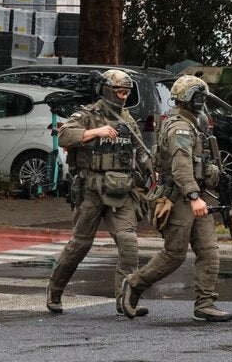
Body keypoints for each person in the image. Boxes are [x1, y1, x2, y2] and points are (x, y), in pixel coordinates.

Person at [118, 75, 232, 322]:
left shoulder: (193, 123)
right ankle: (134, 284)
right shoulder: (179, 127)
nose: (202, 102)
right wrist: (193, 197)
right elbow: (181, 167)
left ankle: (205, 303)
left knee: (209, 249)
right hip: (178, 198)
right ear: (187, 99)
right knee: (174, 254)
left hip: (194, 195)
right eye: (198, 97)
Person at [46, 69, 152, 316]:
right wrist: (95, 132)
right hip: (91, 190)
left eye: (127, 92)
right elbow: (64, 136)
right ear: (106, 90)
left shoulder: (127, 119)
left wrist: (151, 169)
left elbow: (141, 149)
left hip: (121, 191)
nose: (124, 96)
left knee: (129, 243)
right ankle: (55, 289)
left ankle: (125, 300)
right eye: (119, 91)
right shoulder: (87, 115)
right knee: (80, 245)